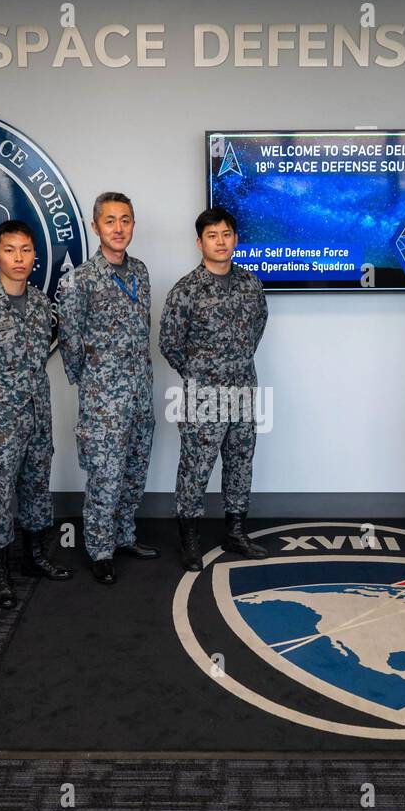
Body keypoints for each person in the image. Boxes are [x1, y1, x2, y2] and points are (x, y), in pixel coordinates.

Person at [0, 220, 71, 610]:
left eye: (25, 250)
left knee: (37, 483)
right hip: (2, 418)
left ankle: (35, 556)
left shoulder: (40, 303)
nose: (18, 258)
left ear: (34, 255)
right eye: (10, 250)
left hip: (39, 410)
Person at [159, 207, 269, 570]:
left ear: (235, 238)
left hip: (243, 392)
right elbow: (169, 343)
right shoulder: (186, 290)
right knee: (196, 466)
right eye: (212, 235)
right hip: (202, 397)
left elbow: (257, 327)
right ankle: (189, 540)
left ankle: (235, 532)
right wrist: (200, 373)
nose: (220, 241)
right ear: (199, 242)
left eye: (226, 234)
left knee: (239, 462)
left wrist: (234, 365)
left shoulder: (250, 284)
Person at [56, 192, 157, 585]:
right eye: (110, 220)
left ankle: (125, 536)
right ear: (95, 226)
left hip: (140, 395)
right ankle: (99, 549)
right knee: (105, 476)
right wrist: (95, 383)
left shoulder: (141, 272)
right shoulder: (79, 279)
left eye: (126, 220)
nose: (119, 228)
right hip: (103, 401)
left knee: (134, 470)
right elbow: (69, 339)